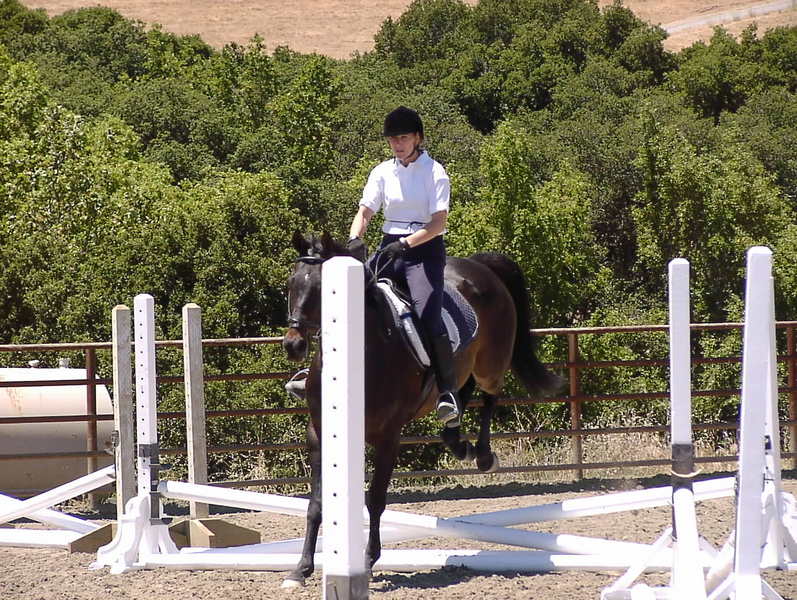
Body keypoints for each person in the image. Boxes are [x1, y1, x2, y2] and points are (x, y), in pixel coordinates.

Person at [346, 106, 461, 427]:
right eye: (393, 139)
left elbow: (438, 224)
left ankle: (447, 392)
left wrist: (407, 244)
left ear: (417, 138)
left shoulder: (435, 173)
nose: (397, 144)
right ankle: (320, 370)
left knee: (426, 313)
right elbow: (365, 212)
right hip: (389, 248)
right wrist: (355, 238)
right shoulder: (382, 172)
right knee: (347, 298)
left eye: (404, 138)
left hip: (424, 251)